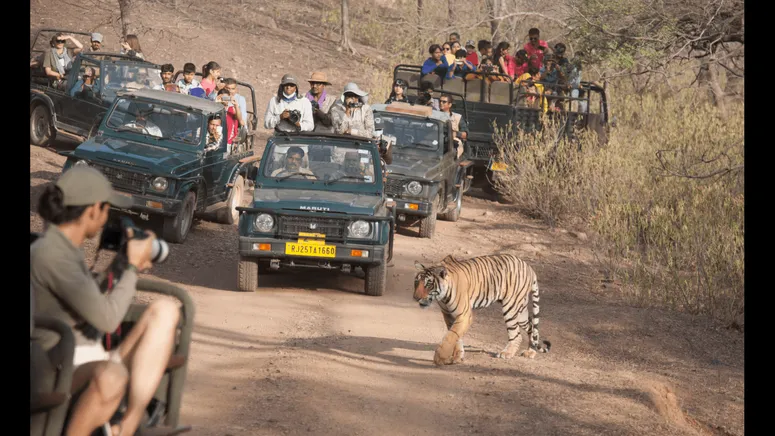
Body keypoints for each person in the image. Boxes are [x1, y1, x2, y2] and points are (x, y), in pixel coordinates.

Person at [31, 167, 181, 436]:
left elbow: (87, 301)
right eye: (106, 210)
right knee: (113, 376)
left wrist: (121, 267)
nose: (105, 220)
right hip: (60, 367)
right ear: (92, 210)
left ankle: (127, 426)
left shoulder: (65, 250)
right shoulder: (51, 254)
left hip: (88, 357)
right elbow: (108, 320)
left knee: (166, 311)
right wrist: (132, 268)